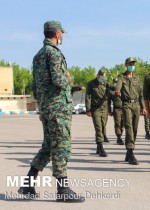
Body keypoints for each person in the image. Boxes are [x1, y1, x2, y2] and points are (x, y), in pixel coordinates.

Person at [18, 20, 84, 202]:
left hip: (47, 108)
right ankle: (63, 190)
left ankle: (27, 184)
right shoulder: (53, 54)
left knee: (48, 147)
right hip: (57, 109)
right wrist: (68, 79)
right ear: (57, 34)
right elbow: (58, 80)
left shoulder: (38, 55)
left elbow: (35, 86)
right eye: (61, 33)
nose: (62, 36)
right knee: (61, 146)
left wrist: (41, 106)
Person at [115, 57, 145, 165]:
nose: (132, 65)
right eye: (130, 64)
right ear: (126, 65)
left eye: (133, 64)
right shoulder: (121, 77)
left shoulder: (136, 78)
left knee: (135, 128)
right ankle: (131, 152)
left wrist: (143, 107)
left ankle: (128, 152)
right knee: (128, 127)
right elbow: (118, 86)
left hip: (136, 104)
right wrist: (118, 90)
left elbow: (141, 93)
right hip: (126, 104)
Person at [86, 68, 110, 157]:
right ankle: (101, 147)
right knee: (98, 127)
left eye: (104, 77)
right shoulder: (91, 84)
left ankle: (98, 146)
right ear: (98, 75)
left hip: (105, 109)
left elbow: (112, 88)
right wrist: (88, 110)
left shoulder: (105, 83)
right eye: (101, 77)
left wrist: (117, 88)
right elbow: (88, 97)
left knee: (103, 127)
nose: (102, 78)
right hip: (95, 109)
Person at [108, 78, 124, 145]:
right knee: (118, 123)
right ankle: (119, 137)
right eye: (115, 82)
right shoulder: (111, 91)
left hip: (124, 109)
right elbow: (108, 102)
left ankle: (120, 135)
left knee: (122, 124)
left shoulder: (123, 90)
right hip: (116, 109)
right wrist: (109, 111)